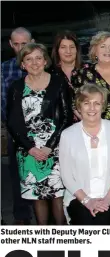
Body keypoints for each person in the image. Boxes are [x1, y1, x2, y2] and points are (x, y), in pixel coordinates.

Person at [7, 43, 73, 225]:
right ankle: (43, 234)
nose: (34, 63)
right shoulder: (16, 87)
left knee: (58, 194)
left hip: (56, 148)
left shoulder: (58, 83)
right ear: (22, 64)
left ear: (45, 60)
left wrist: (49, 146)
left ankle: (62, 236)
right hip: (28, 150)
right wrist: (30, 147)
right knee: (38, 196)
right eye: (28, 59)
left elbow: (66, 117)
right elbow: (12, 122)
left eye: (38, 58)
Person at [59, 83, 110, 225]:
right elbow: (66, 176)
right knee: (84, 221)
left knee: (104, 220)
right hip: (78, 197)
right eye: (86, 103)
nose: (92, 108)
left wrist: (108, 199)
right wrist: (87, 201)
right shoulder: (67, 135)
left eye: (97, 103)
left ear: (103, 106)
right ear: (79, 107)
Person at [2, 27, 35, 225]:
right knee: (17, 174)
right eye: (17, 44)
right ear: (10, 45)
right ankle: (21, 217)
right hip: (15, 130)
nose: (21, 48)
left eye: (25, 43)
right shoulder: (4, 69)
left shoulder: (43, 65)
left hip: (44, 130)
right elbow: (3, 103)